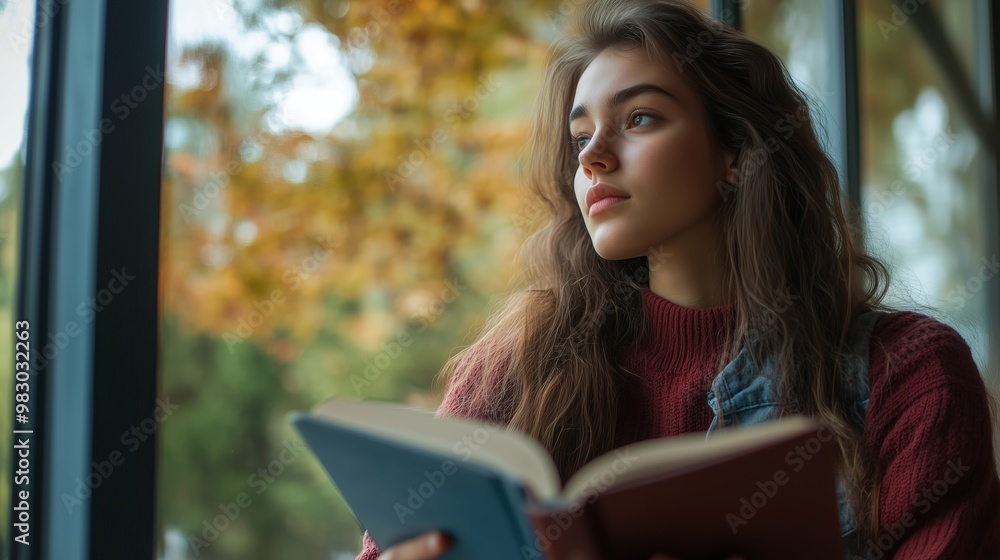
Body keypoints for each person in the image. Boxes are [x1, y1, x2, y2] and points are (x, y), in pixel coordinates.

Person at [357, 0, 1000, 558]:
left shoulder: (910, 376)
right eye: (579, 136)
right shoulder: (512, 372)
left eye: (639, 118)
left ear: (736, 153)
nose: (592, 156)